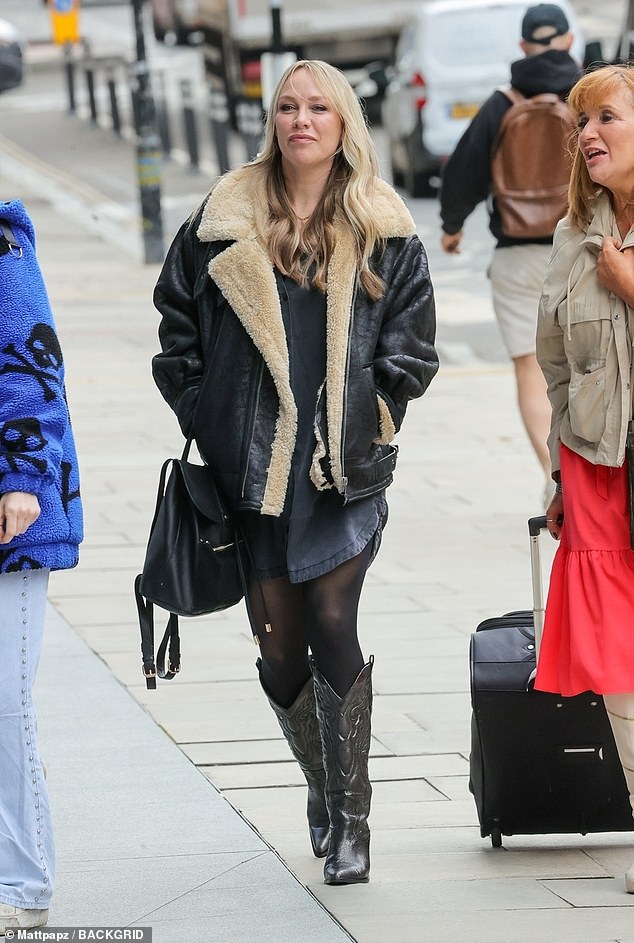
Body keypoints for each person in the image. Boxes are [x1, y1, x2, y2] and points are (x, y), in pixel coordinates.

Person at [152, 59, 438, 885]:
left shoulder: (384, 226)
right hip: (256, 476)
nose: (300, 119)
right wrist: (209, 418)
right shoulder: (222, 218)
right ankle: (322, 785)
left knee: (332, 618)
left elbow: (412, 346)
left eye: (318, 107)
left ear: (345, 122)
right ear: (271, 119)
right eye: (287, 106)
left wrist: (376, 418)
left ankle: (354, 822)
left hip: (342, 474)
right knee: (280, 650)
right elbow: (176, 333)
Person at [534, 63, 634, 894]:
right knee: (618, 659)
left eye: (607, 117)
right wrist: (560, 478)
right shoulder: (573, 235)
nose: (590, 134)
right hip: (598, 466)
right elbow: (556, 365)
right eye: (582, 123)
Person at [439, 3, 580, 506]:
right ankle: (591, 475)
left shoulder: (503, 101)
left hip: (517, 254)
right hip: (581, 248)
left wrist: (452, 228)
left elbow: (463, 173)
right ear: (567, 41)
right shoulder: (588, 96)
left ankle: (553, 475)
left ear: (522, 48)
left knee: (529, 367)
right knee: (591, 362)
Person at [0, 201, 83, 931]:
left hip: (8, 514)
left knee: (4, 702)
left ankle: (23, 885)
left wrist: (23, 477)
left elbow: (33, 362)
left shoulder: (0, 241)